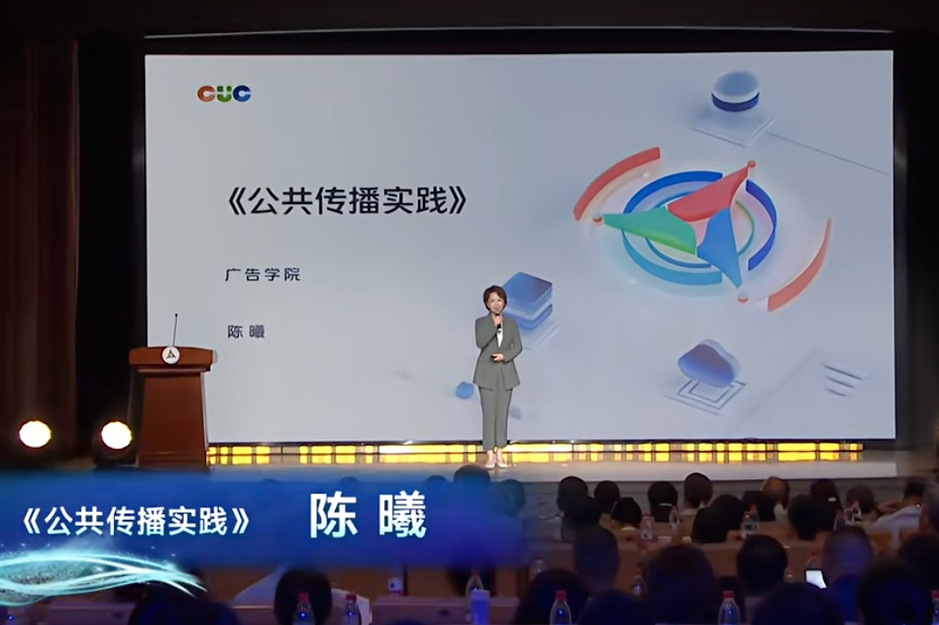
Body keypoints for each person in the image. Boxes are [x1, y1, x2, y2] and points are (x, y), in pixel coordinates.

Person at [474, 285, 523, 469]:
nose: (496, 304)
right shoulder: (481, 323)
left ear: (504, 302)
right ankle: (489, 454)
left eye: (499, 300)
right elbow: (480, 342)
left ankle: (500, 453)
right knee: (489, 415)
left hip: (506, 374)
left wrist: (505, 356)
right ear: (487, 303)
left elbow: (517, 346)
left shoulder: (511, 323)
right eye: (492, 301)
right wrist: (493, 326)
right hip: (486, 374)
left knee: (502, 415)